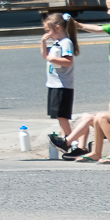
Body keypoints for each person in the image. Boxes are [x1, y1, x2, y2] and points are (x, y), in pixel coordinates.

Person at [40, 11, 76, 145]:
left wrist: (52, 58)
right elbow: (45, 56)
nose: (48, 34)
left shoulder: (66, 43)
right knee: (58, 115)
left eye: (49, 30)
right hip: (54, 83)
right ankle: (64, 136)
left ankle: (70, 139)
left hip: (63, 85)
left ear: (58, 28)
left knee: (62, 115)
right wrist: (43, 42)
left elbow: (68, 61)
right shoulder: (56, 42)